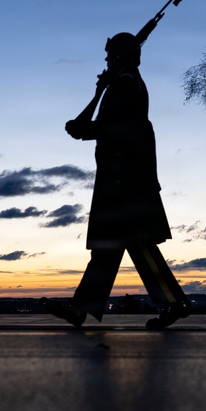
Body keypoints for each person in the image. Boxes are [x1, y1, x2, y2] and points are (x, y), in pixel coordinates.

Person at [45, 32, 191, 329]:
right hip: (123, 182)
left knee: (131, 246)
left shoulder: (125, 84)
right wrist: (98, 94)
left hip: (125, 185)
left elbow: (109, 128)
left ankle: (173, 303)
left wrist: (89, 115)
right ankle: (81, 308)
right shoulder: (125, 83)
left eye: (110, 54)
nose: (106, 60)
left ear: (121, 56)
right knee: (110, 249)